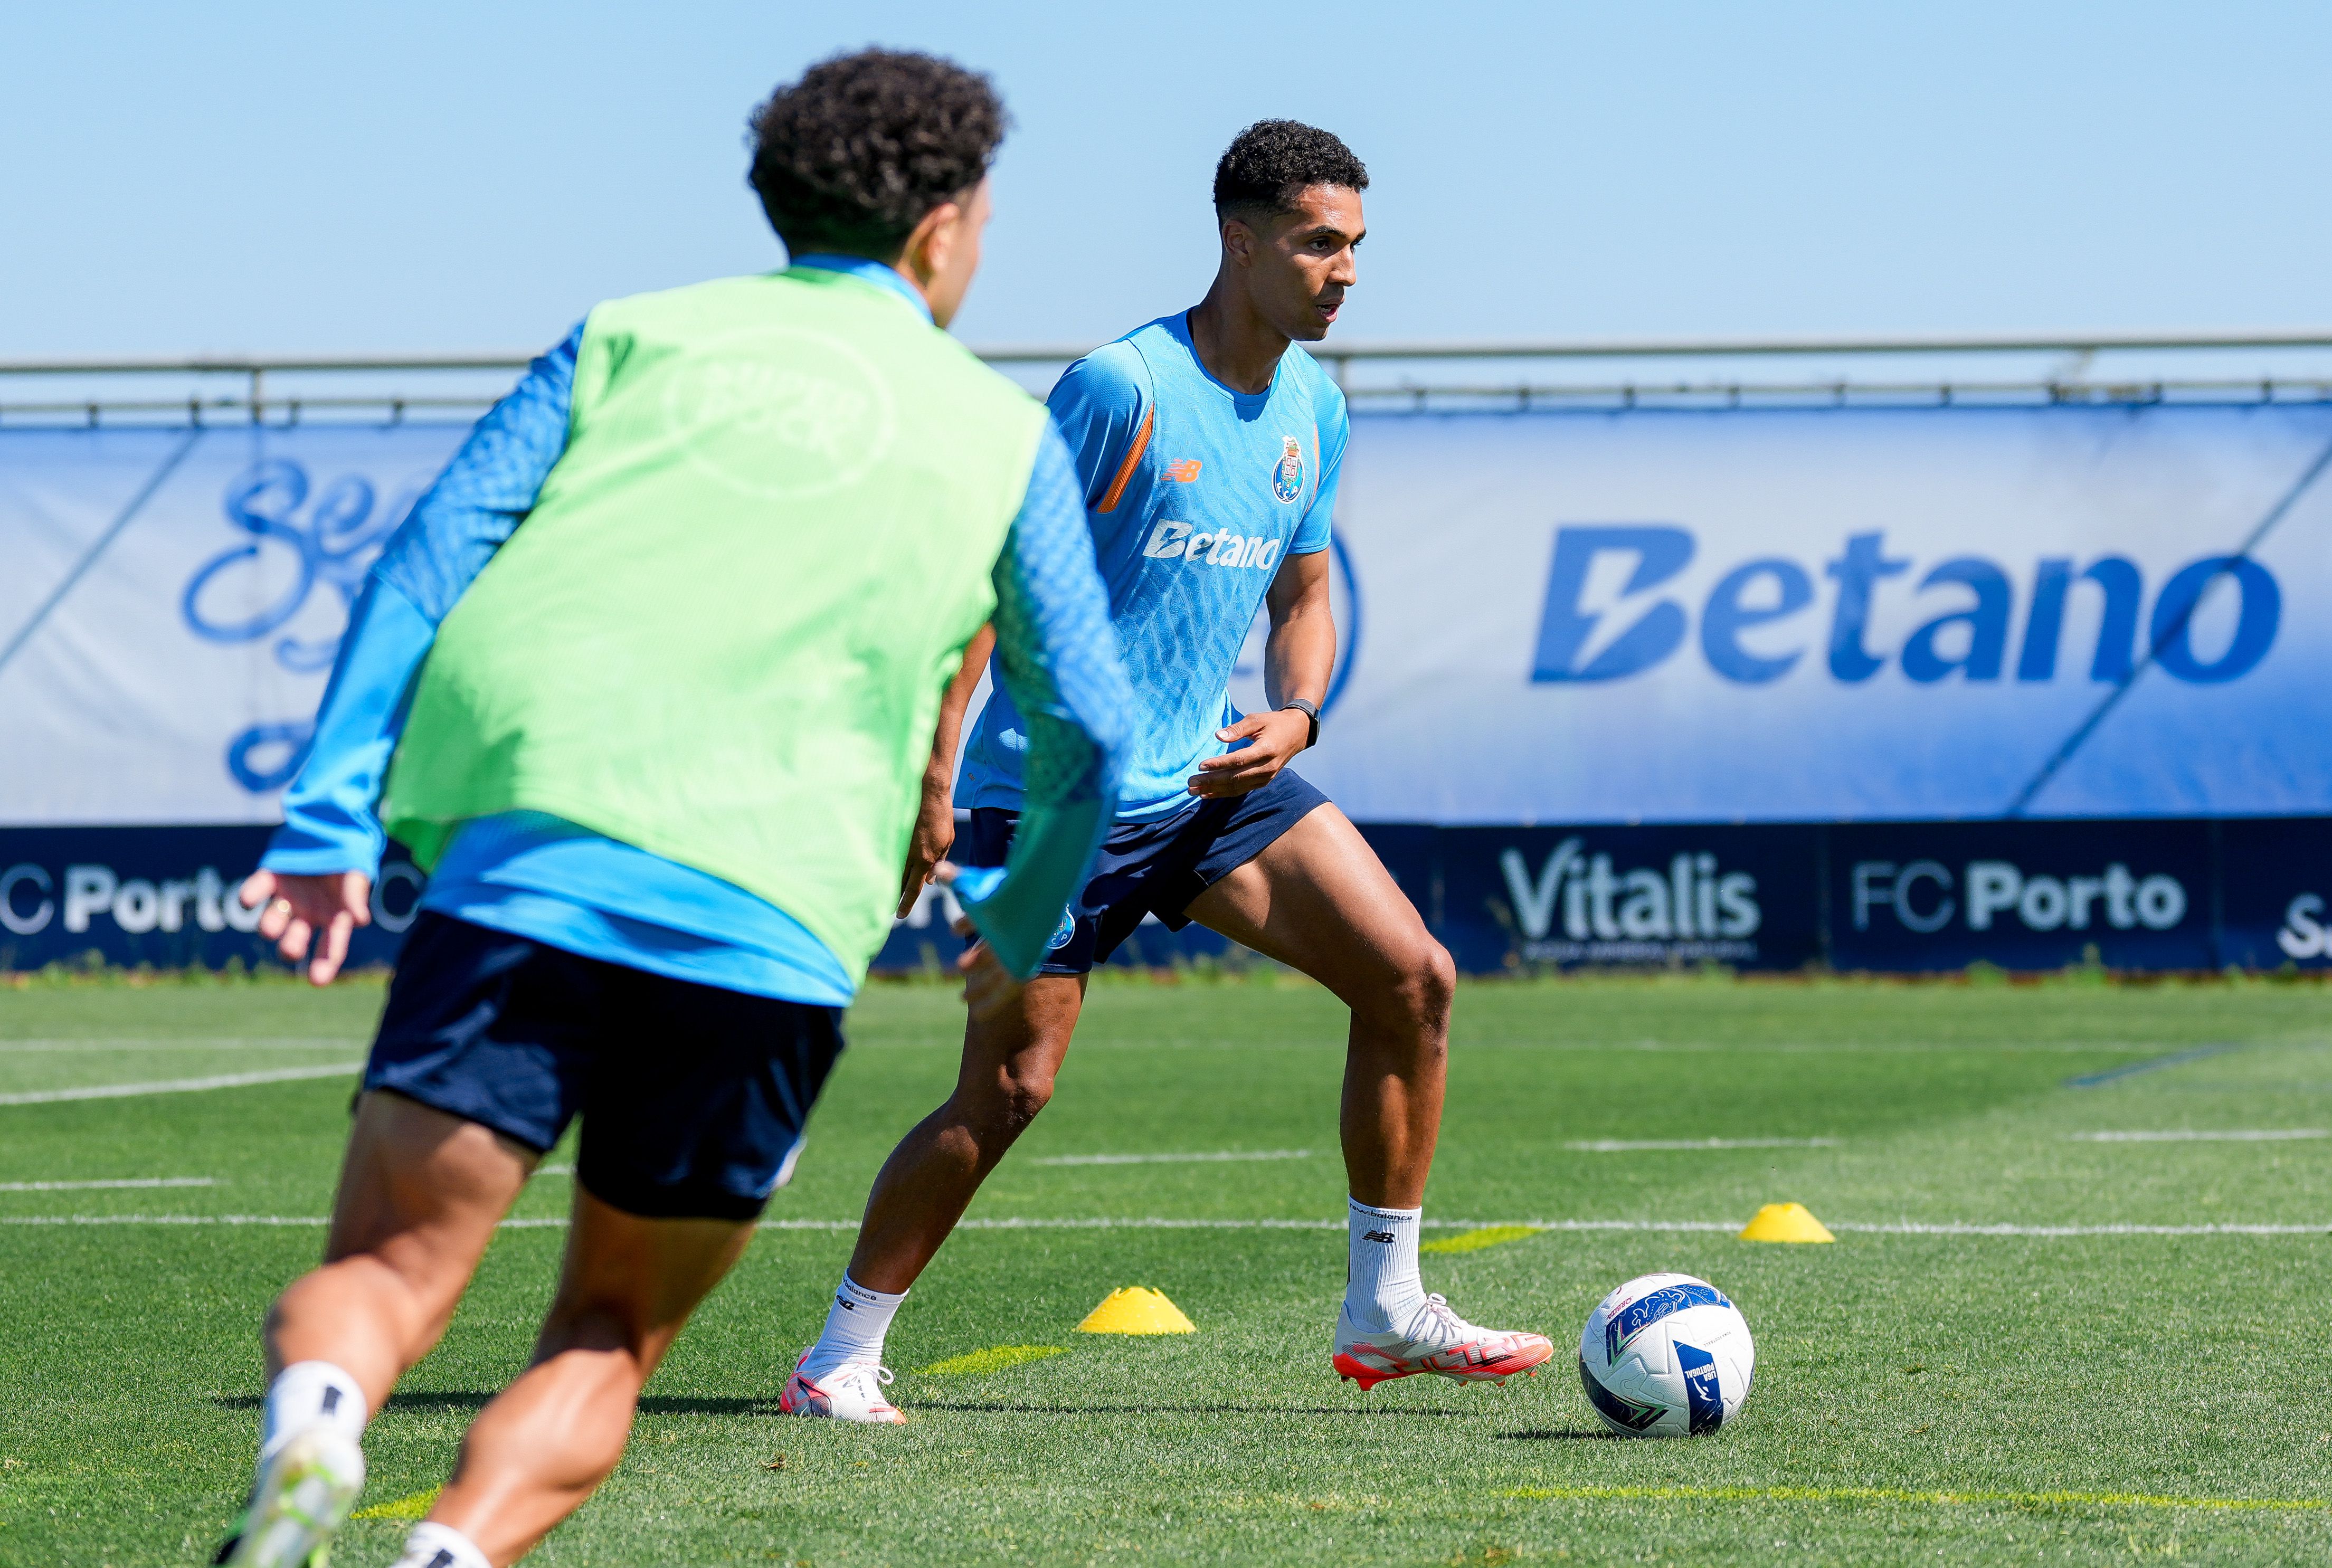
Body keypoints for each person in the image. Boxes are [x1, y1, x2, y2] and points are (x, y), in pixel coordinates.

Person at [212, 49, 1130, 1568]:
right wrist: (1025, 920)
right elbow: (1091, 725)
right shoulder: (1002, 434)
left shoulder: (629, 337)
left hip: (531, 873)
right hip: (767, 930)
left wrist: (325, 819)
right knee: (604, 1332)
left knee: (386, 1268)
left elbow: (425, 563)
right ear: (944, 228)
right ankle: (444, 1554)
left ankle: (316, 1424)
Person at [782, 119, 1550, 1426]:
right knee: (1010, 1089)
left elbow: (1305, 596)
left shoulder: (1314, 407)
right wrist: (934, 776)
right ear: (1239, 242)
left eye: (1357, 246)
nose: (1346, 272)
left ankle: (1385, 1306)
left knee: (1414, 977)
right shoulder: (1120, 388)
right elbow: (988, 581)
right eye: (1318, 243)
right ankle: (836, 1356)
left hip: (1210, 783)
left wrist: (1297, 715)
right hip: (1052, 799)